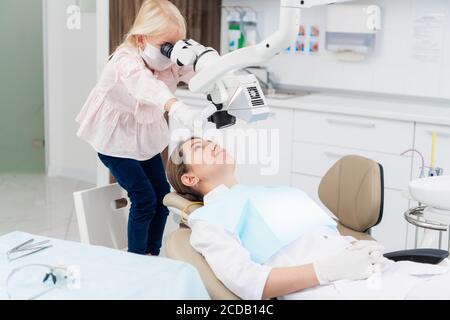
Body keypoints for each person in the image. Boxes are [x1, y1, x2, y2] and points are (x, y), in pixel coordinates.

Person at [166, 138, 450, 300]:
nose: (211, 144)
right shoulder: (208, 220)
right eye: (199, 148)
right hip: (336, 290)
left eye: (208, 140)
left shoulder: (268, 193)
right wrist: (327, 269)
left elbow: (316, 238)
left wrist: (354, 247)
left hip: (378, 274)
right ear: (190, 178)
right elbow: (250, 284)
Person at [76, 0, 209, 255]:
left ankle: (152, 253)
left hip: (143, 136)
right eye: (166, 46)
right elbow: (146, 86)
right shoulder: (125, 62)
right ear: (140, 40)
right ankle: (136, 260)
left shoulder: (168, 61)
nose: (171, 54)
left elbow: (197, 74)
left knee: (162, 197)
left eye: (176, 46)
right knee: (144, 199)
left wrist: (211, 67)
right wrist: (175, 106)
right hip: (113, 140)